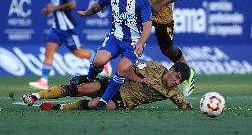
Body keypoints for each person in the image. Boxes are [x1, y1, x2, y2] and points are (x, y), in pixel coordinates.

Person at [76, 0, 152, 110]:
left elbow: (148, 25)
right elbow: (99, 5)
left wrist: (140, 43)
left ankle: (104, 101)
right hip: (115, 37)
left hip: (133, 43)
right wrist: (87, 13)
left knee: (121, 69)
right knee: (98, 61)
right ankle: (89, 78)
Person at [28, 0, 94, 90]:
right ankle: (43, 80)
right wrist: (49, 9)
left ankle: (99, 58)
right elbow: (56, 5)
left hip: (67, 28)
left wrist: (54, 8)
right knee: (48, 53)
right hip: (56, 28)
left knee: (79, 53)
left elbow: (72, 4)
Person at [23, 61, 193, 110]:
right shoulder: (153, 67)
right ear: (171, 69)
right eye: (177, 77)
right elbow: (124, 70)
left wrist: (188, 105)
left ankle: (59, 108)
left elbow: (183, 104)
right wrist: (140, 79)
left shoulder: (173, 92)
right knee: (82, 88)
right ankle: (36, 96)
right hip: (116, 85)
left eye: (180, 81)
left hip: (124, 102)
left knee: (94, 103)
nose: (176, 82)